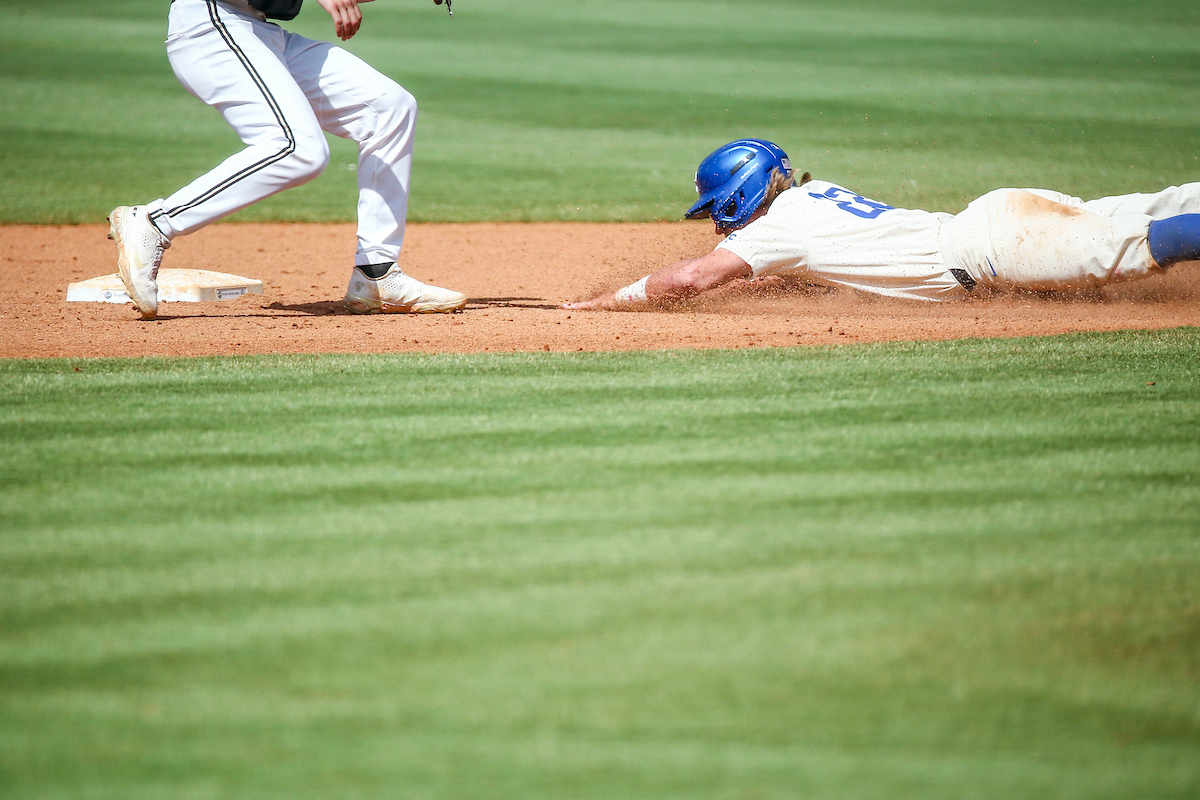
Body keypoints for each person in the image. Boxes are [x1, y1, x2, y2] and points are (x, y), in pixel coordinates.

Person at [108, 0, 466, 320]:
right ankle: (156, 222)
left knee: (389, 107)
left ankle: (376, 274)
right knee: (299, 149)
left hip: (260, 32)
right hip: (211, 22)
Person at [563, 138, 1200, 310]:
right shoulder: (810, 203)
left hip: (1004, 246)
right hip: (1001, 220)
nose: (716, 224)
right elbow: (820, 268)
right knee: (1158, 205)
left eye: (717, 207)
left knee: (1148, 242)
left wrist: (601, 303)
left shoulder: (776, 231)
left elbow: (688, 282)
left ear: (737, 195)